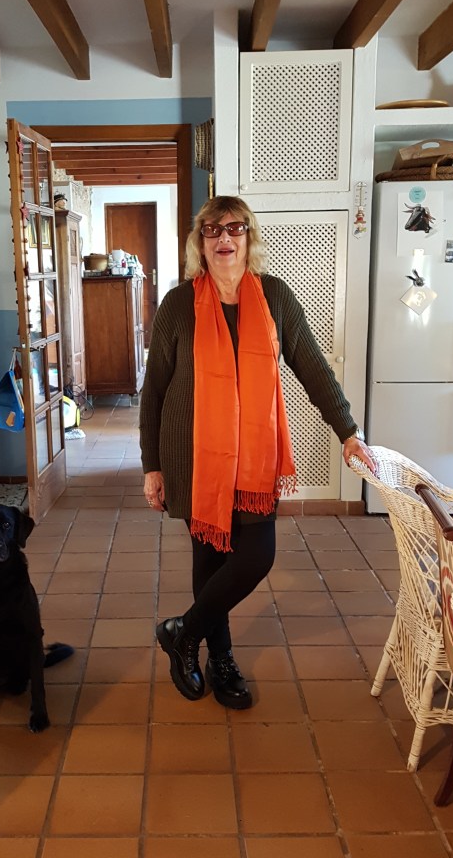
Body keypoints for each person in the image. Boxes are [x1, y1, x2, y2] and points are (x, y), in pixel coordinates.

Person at [139, 196, 375, 710]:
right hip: (193, 456)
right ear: (200, 243)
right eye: (212, 230)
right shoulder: (178, 305)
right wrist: (151, 465)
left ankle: (184, 633)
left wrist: (348, 431)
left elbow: (312, 366)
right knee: (209, 558)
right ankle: (220, 660)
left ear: (249, 236)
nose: (224, 238)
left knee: (256, 554)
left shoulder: (275, 297)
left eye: (234, 228)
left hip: (254, 457)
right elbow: (153, 390)